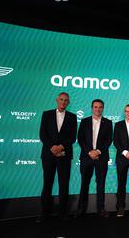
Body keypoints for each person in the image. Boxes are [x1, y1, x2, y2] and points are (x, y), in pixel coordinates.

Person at [38, 92, 77, 223]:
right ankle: (44, 213)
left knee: (64, 184)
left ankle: (63, 213)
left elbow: (72, 137)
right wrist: (53, 148)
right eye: (61, 99)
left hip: (64, 155)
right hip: (48, 155)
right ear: (57, 100)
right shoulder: (46, 114)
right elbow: (43, 134)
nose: (63, 102)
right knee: (47, 184)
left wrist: (60, 147)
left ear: (68, 103)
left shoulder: (72, 117)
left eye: (66, 100)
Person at [75, 99, 113, 218]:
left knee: (101, 184)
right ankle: (81, 209)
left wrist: (98, 151)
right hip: (86, 157)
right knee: (84, 183)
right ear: (92, 108)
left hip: (101, 157)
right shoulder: (84, 121)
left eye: (100, 107)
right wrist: (89, 152)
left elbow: (109, 140)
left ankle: (101, 209)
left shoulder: (108, 122)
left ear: (103, 108)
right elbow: (80, 138)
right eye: (96, 107)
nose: (98, 109)